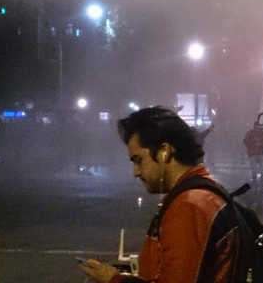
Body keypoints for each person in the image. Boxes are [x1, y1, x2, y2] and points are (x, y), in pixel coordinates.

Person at [79, 106, 251, 283]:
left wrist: (112, 279)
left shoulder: (190, 205)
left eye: (139, 160)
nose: (135, 172)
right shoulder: (201, 194)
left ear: (164, 151)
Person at [244, 122, 263, 188]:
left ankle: (261, 183)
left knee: (262, 169)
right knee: (254, 169)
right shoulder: (250, 133)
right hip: (253, 154)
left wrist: (261, 145)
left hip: (260, 153)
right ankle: (256, 184)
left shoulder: (262, 133)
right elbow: (245, 141)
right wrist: (253, 145)